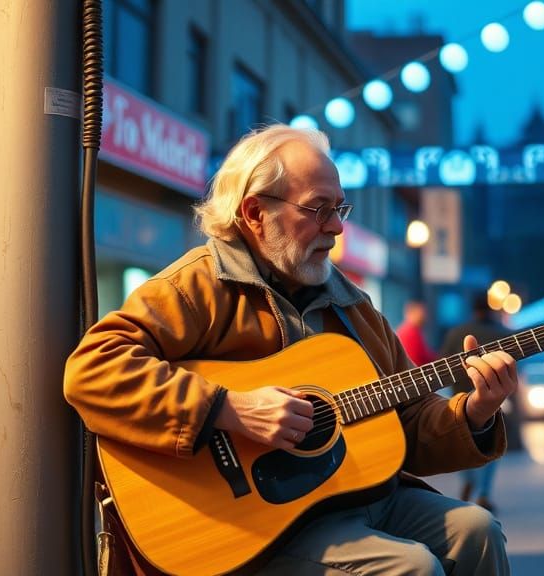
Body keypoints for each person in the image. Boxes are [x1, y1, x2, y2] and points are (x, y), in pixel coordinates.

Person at [64, 125, 518, 575]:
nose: (338, 227)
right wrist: (228, 408)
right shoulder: (197, 286)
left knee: (478, 530)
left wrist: (475, 411)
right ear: (255, 212)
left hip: (359, 498)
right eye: (319, 209)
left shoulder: (354, 307)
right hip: (254, 529)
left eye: (340, 208)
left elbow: (410, 422)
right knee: (410, 568)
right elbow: (92, 371)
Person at [440, 293, 513, 512]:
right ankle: (483, 493)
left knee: (462, 442)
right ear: (491, 309)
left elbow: (443, 361)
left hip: (459, 399)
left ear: (473, 310)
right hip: (491, 399)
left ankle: (469, 478)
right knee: (491, 447)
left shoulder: (456, 333)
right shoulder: (500, 333)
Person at [396, 300, 437, 366]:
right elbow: (418, 357)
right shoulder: (410, 331)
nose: (424, 316)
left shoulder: (406, 329)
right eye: (421, 313)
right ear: (412, 313)